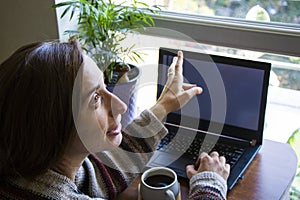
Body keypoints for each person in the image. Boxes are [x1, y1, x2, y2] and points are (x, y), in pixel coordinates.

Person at [0, 39, 230, 200]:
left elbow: (99, 178)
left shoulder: (23, 171)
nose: (119, 106)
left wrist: (164, 105)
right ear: (49, 125)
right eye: (95, 99)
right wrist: (209, 183)